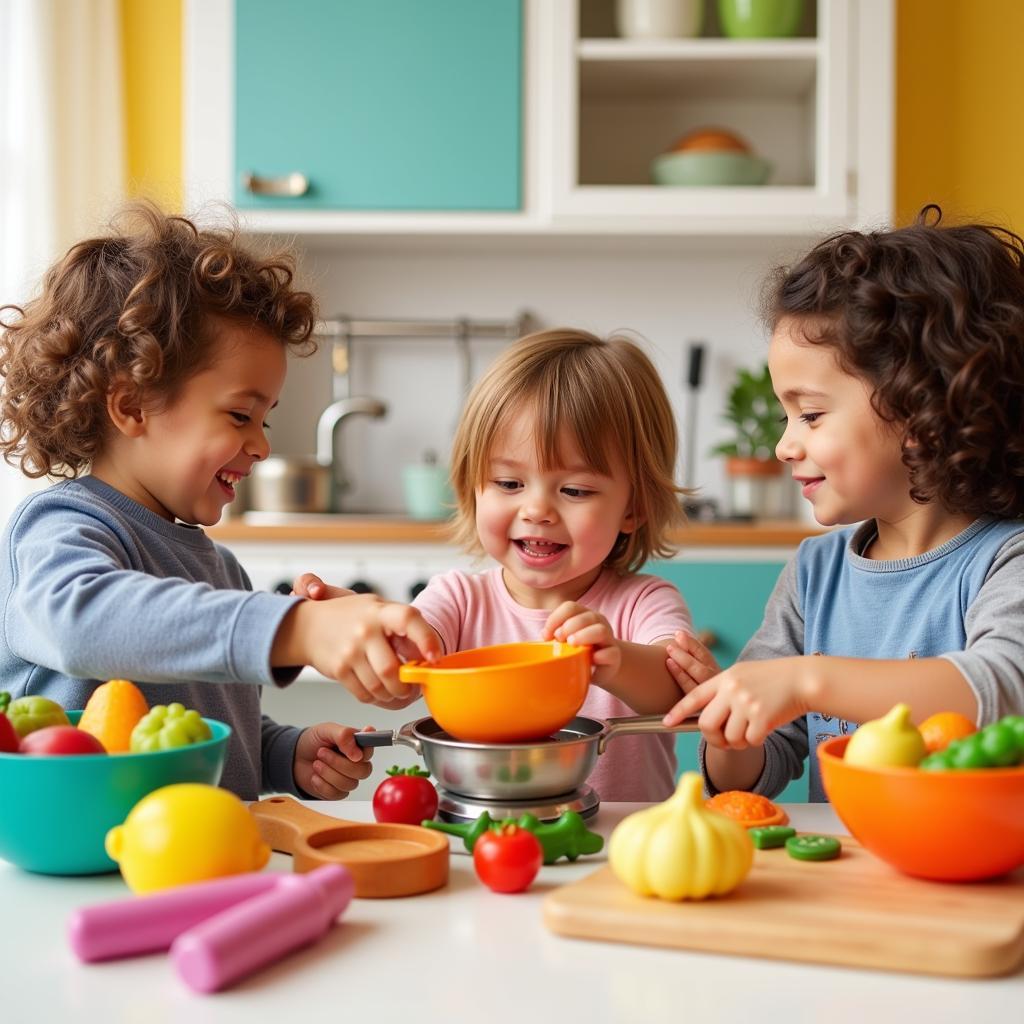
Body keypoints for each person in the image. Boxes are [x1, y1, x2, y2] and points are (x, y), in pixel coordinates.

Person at [0, 203, 439, 801]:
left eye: (265, 419)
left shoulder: (220, 569)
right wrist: (296, 628)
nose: (261, 445)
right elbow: (80, 624)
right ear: (131, 407)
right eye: (240, 415)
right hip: (88, 868)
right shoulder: (62, 527)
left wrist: (285, 754)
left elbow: (213, 733)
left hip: (200, 856)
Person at [663, 207, 1024, 801]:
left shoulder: (1003, 560)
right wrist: (735, 732)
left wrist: (807, 679)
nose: (783, 444)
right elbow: (762, 768)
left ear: (919, 408)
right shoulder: (815, 574)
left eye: (810, 414)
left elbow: (1002, 686)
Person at [296, 328, 694, 801]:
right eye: (508, 483)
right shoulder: (459, 599)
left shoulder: (642, 602)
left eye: (575, 490)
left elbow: (678, 695)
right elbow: (408, 674)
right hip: (480, 838)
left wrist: (615, 659)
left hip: (628, 847)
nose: (537, 510)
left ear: (633, 507)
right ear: (472, 487)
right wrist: (363, 630)